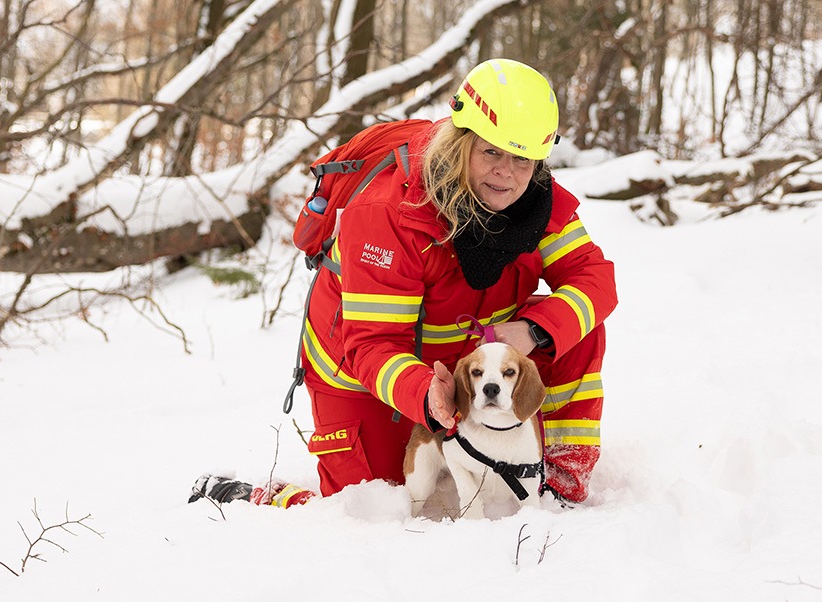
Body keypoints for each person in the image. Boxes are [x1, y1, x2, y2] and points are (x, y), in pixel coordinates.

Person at [191, 58, 617, 508]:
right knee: (376, 504)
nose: (506, 173)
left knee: (576, 327)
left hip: (468, 361)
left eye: (522, 159)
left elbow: (594, 278)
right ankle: (254, 496)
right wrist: (424, 393)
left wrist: (532, 331)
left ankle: (557, 484)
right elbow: (373, 344)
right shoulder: (391, 213)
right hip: (366, 369)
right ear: (460, 143)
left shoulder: (535, 200)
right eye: (491, 151)